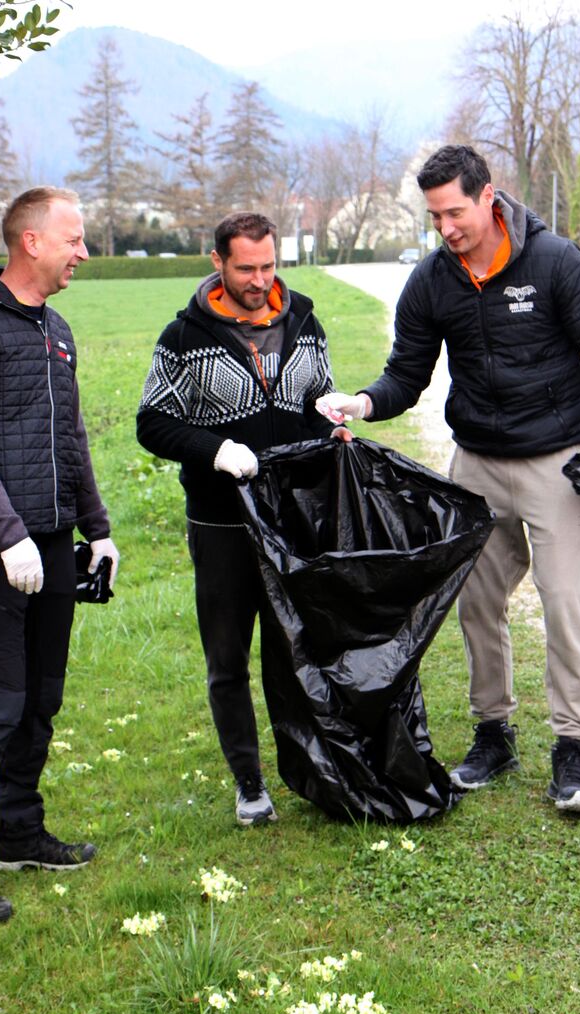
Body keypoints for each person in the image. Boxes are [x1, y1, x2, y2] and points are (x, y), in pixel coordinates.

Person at [320, 145, 580, 816]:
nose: (446, 228)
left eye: (455, 213)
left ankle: (573, 749)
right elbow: (407, 373)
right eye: (435, 217)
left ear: (489, 196)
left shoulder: (554, 262)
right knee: (477, 603)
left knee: (564, 602)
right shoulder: (433, 280)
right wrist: (363, 403)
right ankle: (494, 733)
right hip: (477, 465)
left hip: (556, 461)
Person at [0, 186, 119, 924]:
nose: (84, 253)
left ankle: (20, 832)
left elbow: (72, 437)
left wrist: (96, 527)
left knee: (42, 696)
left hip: (54, 539)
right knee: (0, 702)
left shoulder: (55, 328)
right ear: (31, 242)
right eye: (74, 239)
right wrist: (7, 534)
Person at [137, 212, 350, 825]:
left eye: (268, 266)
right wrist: (214, 450)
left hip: (292, 521)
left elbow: (316, 398)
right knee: (227, 659)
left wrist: (331, 424)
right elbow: (152, 422)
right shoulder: (183, 338)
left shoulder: (305, 323)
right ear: (218, 262)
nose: (260, 281)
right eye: (246, 268)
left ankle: (313, 769)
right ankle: (249, 782)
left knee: (298, 651)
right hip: (221, 525)